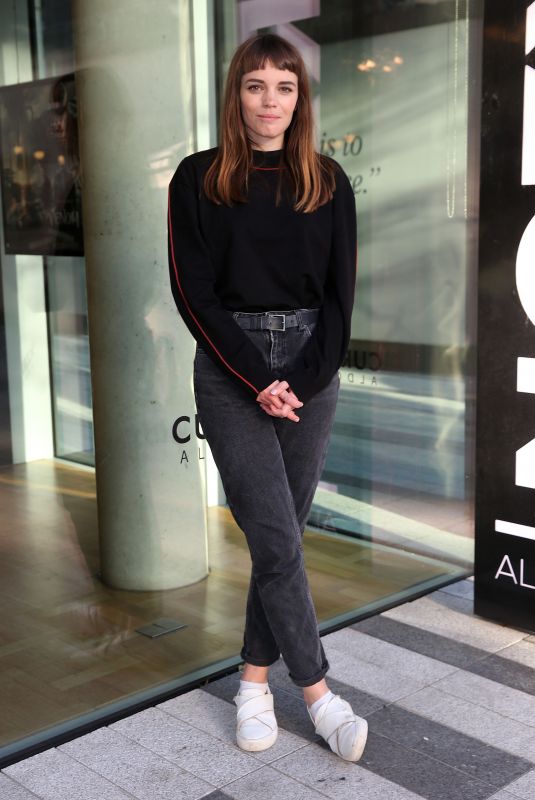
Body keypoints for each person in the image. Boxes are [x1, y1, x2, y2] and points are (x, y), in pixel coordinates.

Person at [167, 32, 367, 763]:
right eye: (255, 85)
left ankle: (252, 682)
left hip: (310, 372)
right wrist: (259, 379)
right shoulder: (197, 179)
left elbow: (342, 303)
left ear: (299, 100)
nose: (269, 101)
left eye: (284, 87)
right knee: (278, 540)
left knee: (278, 538)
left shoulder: (328, 180)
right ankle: (317, 695)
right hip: (229, 371)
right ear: (236, 95)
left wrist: (300, 382)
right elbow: (194, 293)